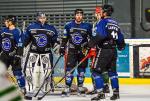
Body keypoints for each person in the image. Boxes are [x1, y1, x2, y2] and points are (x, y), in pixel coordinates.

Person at [88, 5, 125, 100]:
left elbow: (101, 35)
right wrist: (121, 45)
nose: (100, 13)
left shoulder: (102, 21)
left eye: (101, 12)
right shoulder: (115, 23)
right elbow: (120, 38)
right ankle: (116, 94)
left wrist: (90, 44)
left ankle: (100, 93)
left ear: (104, 13)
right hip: (113, 50)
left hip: (104, 50)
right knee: (112, 72)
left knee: (96, 71)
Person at [59, 9, 92, 96]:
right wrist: (62, 46)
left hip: (83, 51)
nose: (79, 16)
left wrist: (88, 45)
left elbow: (92, 38)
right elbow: (65, 37)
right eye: (77, 15)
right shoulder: (68, 25)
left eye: (80, 15)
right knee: (69, 70)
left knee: (81, 70)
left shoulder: (88, 26)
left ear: (82, 16)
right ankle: (67, 87)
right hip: (72, 51)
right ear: (74, 15)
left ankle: (80, 87)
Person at [23, 12, 58, 93]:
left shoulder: (51, 28)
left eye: (44, 18)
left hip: (46, 53)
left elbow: (55, 41)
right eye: (40, 18)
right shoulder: (31, 27)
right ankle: (29, 88)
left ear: (46, 18)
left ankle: (45, 88)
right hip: (33, 52)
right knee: (28, 70)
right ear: (37, 18)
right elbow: (26, 40)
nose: (42, 19)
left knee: (48, 71)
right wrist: (21, 49)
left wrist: (58, 48)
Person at [0, 15, 26, 94]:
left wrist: (18, 55)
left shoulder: (17, 31)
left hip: (14, 55)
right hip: (4, 55)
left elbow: (20, 44)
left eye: (7, 21)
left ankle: (22, 88)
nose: (5, 22)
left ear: (11, 22)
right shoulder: (3, 30)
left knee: (17, 72)